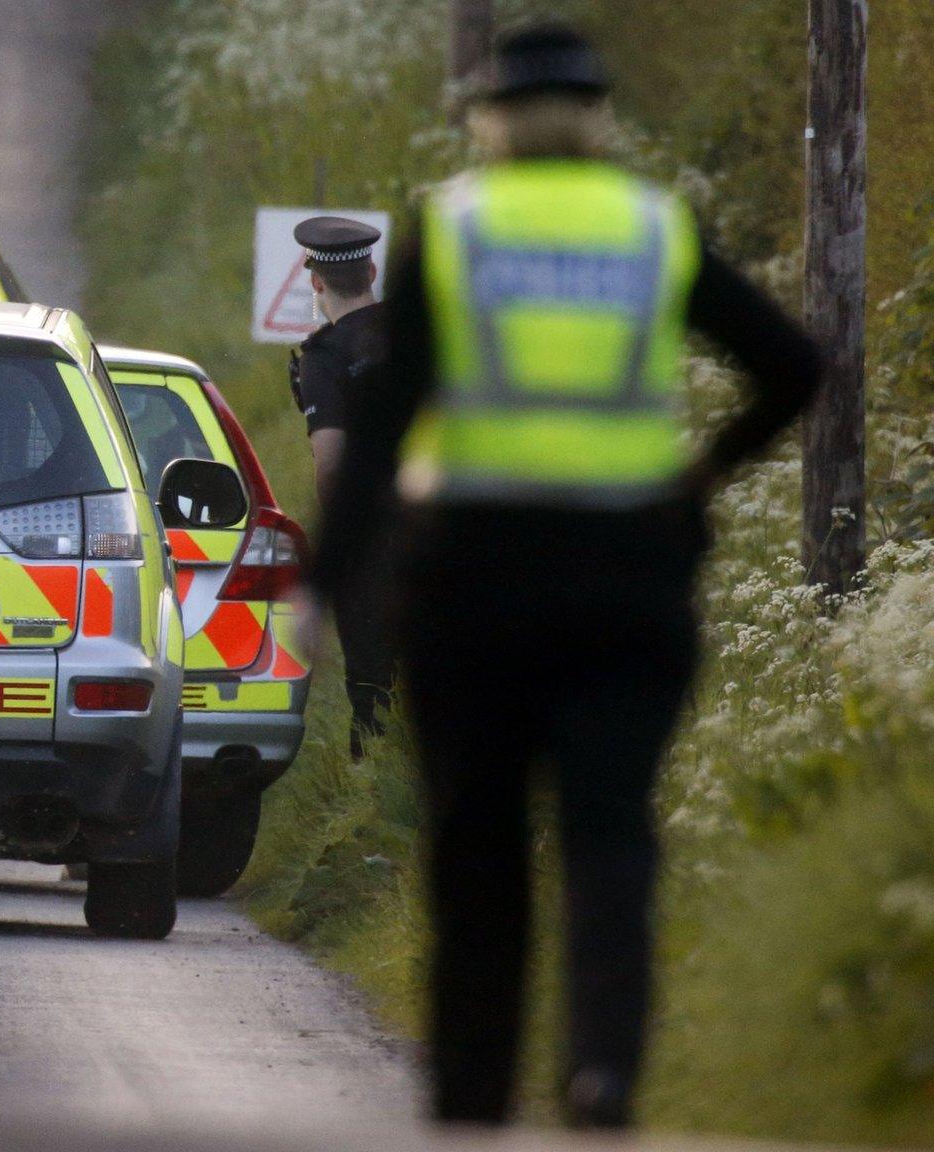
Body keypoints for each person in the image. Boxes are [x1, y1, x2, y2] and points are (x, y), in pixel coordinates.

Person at [303, 22, 822, 1129]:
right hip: (625, 575)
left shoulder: (454, 227)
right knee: (609, 832)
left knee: (476, 841)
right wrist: (701, 474)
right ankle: (601, 1075)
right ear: (597, 118)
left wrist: (322, 582)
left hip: (472, 578)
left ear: (485, 117)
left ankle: (473, 1088)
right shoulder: (649, 226)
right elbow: (791, 364)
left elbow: (384, 424)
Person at [288, 215, 396, 758]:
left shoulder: (324, 359)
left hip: (376, 544)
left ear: (316, 282)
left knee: (375, 688)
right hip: (450, 532)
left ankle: (375, 793)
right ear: (372, 270)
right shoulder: (416, 331)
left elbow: (331, 465)